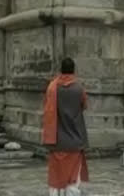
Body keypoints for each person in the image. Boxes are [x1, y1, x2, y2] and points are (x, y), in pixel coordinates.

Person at [42, 57, 89, 196]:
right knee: (73, 179)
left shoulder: (52, 87)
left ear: (60, 70)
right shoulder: (79, 89)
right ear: (73, 70)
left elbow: (46, 107)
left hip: (56, 140)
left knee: (55, 179)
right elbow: (84, 105)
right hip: (75, 140)